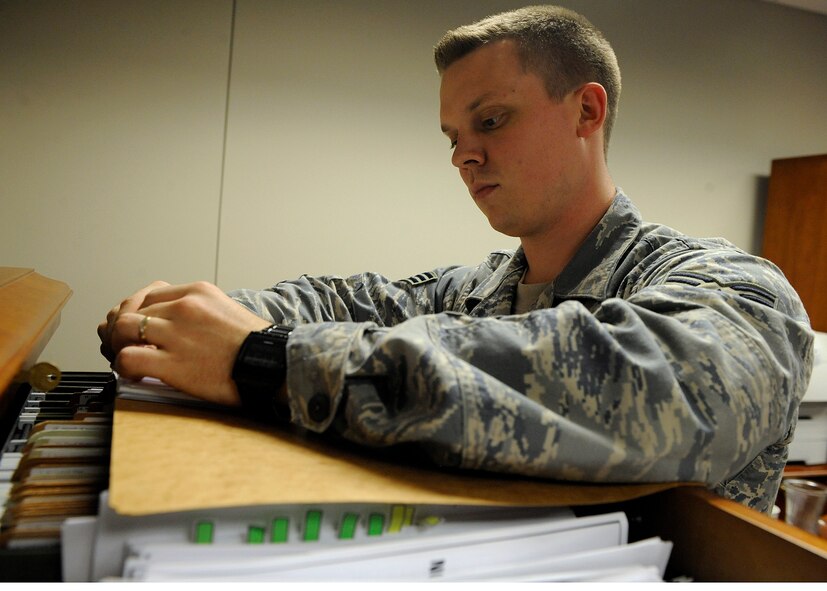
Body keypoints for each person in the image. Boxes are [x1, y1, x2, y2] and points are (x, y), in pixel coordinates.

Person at [98, 5, 813, 514]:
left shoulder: (738, 288)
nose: (463, 155)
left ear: (585, 112)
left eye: (490, 121)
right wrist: (180, 319)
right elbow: (348, 303)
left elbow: (641, 385)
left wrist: (263, 358)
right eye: (451, 135)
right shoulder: (475, 289)